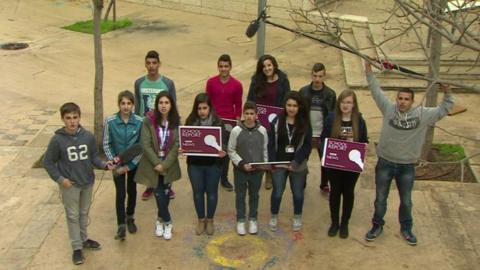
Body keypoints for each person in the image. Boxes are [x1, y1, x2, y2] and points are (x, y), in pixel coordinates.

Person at [364, 61, 454, 246]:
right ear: (396, 99)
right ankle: (377, 225)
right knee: (380, 198)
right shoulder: (388, 109)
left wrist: (447, 91)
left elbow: (444, 109)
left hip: (406, 166)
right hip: (385, 163)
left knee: (406, 201)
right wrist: (368, 69)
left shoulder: (422, 114)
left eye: (406, 99)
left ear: (412, 101)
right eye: (400, 98)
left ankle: (406, 228)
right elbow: (375, 90)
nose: (402, 102)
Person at [44, 102, 110, 265]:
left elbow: (94, 157)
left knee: (83, 213)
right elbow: (49, 162)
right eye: (68, 118)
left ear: (79, 118)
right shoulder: (57, 140)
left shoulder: (87, 137)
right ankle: (76, 248)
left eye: (75, 117)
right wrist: (61, 179)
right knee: (72, 215)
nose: (72, 121)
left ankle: (84, 238)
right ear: (62, 119)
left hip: (87, 182)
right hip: (70, 185)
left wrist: (104, 165)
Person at [321, 90, 368, 238]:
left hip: (351, 166)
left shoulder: (359, 120)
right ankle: (334, 223)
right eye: (343, 102)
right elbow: (324, 139)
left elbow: (364, 140)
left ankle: (344, 223)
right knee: (335, 193)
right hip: (334, 165)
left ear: (354, 105)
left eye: (349, 102)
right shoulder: (331, 118)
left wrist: (359, 145)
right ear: (338, 103)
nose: (345, 105)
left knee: (348, 193)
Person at [135, 91, 181, 240]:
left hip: (169, 164)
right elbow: (145, 144)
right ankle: (168, 221)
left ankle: (159, 220)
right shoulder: (148, 121)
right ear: (157, 104)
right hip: (153, 164)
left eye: (166, 103)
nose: (163, 106)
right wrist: (157, 163)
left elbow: (176, 145)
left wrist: (165, 165)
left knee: (166, 192)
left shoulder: (176, 122)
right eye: (161, 103)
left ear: (171, 105)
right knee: (159, 192)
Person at [134, 50, 177, 201]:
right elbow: (138, 105)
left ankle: (167, 185)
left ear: (159, 64)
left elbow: (173, 104)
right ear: (145, 64)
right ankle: (150, 185)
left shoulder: (168, 83)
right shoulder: (139, 83)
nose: (151, 66)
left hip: (163, 126)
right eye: (148, 63)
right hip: (147, 127)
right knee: (149, 155)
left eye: (154, 63)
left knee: (165, 153)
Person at [183, 93, 227, 235]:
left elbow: (224, 142)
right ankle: (201, 220)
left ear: (210, 108)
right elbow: (185, 140)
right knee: (198, 193)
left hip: (213, 164)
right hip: (195, 164)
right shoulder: (190, 121)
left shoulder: (218, 122)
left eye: (204, 108)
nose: (202, 111)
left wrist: (223, 150)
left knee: (212, 193)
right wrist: (183, 147)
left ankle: (210, 220)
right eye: (199, 108)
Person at [268, 91, 312, 232]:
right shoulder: (276, 121)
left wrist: (296, 161)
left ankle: (297, 216)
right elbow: (270, 144)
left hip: (297, 165)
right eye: (289, 105)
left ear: (299, 107)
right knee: (277, 192)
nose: (291, 108)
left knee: (298, 193)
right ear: (284, 105)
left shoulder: (304, 123)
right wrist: (272, 162)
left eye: (295, 105)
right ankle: (274, 216)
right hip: (279, 164)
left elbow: (307, 146)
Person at [103, 90, 143, 240]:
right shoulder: (110, 121)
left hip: (133, 164)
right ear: (119, 104)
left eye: (129, 103)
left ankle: (130, 217)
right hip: (117, 165)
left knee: (132, 191)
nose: (126, 107)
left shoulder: (139, 122)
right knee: (120, 194)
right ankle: (120, 225)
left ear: (133, 105)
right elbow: (106, 143)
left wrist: (131, 165)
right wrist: (114, 162)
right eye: (123, 103)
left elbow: (141, 146)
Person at [247, 54, 291, 190]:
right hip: (259, 119)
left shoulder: (283, 80)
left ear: (274, 65)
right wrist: (250, 116)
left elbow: (287, 99)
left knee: (271, 147)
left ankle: (269, 174)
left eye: (269, 65)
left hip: (276, 120)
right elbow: (250, 99)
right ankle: (255, 172)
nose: (267, 68)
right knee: (257, 146)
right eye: (264, 66)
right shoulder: (256, 80)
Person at [228, 101, 268, 235]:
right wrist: (241, 163)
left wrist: (264, 166)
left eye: (252, 113)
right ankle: (240, 220)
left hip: (257, 172)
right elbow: (231, 150)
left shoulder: (263, 131)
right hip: (240, 170)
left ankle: (252, 220)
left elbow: (264, 149)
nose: (249, 116)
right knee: (240, 195)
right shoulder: (236, 131)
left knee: (254, 195)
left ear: (257, 115)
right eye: (247, 113)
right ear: (243, 115)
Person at [206, 54, 243, 192]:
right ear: (218, 67)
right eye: (221, 66)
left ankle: (224, 178)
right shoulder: (211, 82)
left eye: (226, 66)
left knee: (226, 151)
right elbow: (207, 102)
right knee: (212, 149)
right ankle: (212, 177)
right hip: (213, 121)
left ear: (230, 67)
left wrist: (238, 121)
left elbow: (238, 105)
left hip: (229, 123)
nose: (223, 69)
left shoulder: (237, 85)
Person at [299, 63, 336, 194]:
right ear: (311, 75)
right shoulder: (303, 91)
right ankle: (301, 182)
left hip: (322, 133)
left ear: (324, 76)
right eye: (315, 76)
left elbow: (332, 115)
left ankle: (324, 183)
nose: (317, 79)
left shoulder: (330, 94)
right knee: (303, 159)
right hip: (307, 132)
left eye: (320, 76)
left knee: (325, 161)